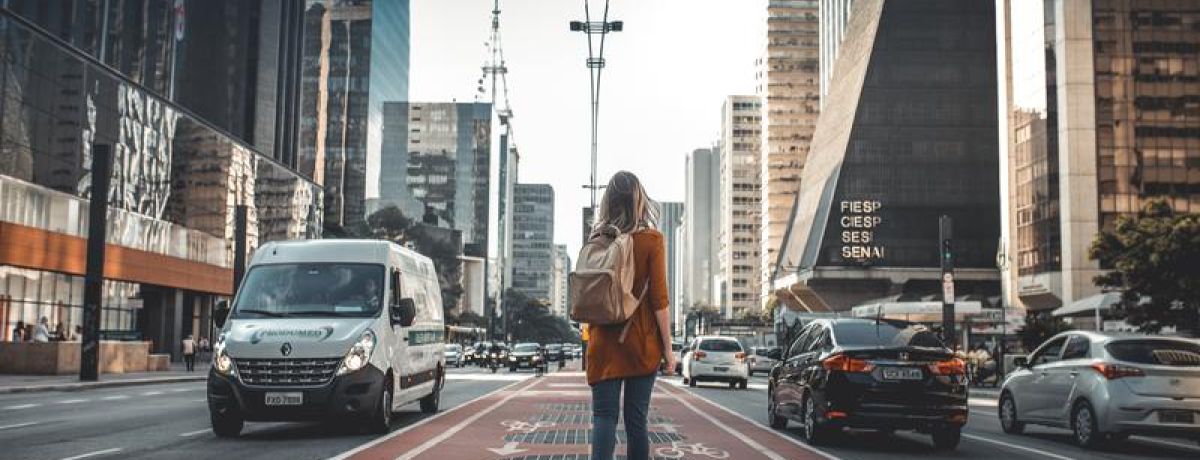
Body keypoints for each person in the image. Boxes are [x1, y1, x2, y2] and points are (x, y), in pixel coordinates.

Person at [586, 171, 675, 460]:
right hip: (640, 345)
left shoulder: (597, 239)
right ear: (639, 200)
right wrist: (669, 351)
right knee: (637, 422)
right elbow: (660, 301)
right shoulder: (652, 240)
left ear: (607, 202)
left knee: (603, 418)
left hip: (603, 345)